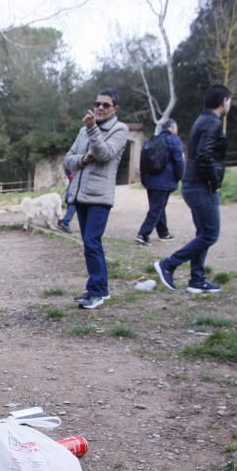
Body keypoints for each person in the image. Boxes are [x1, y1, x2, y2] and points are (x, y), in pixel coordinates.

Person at [154, 84, 231, 294]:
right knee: (211, 234)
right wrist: (214, 183)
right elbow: (204, 156)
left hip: (193, 184)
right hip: (201, 185)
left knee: (203, 232)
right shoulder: (212, 123)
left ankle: (197, 279)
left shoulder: (202, 120)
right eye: (229, 100)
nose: (230, 104)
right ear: (224, 101)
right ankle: (168, 264)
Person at [63, 89, 129, 309]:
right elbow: (68, 160)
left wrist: (92, 128)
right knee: (89, 243)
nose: (100, 108)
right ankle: (99, 287)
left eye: (106, 105)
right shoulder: (83, 132)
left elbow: (104, 154)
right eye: (97, 104)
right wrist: (82, 159)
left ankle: (98, 291)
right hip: (81, 195)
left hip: (100, 197)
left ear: (114, 109)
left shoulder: (120, 130)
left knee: (92, 241)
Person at [136, 118, 184, 245]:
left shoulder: (153, 140)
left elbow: (142, 162)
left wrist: (144, 179)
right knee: (156, 208)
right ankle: (143, 234)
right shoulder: (174, 140)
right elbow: (179, 161)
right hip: (164, 181)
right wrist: (179, 177)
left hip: (150, 180)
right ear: (173, 128)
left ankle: (164, 233)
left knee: (158, 207)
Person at [57, 165, 76, 233]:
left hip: (72, 185)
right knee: (74, 203)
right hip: (75, 185)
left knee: (71, 203)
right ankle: (64, 222)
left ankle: (63, 221)